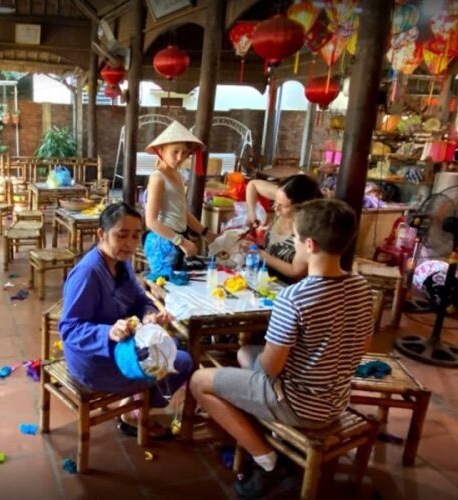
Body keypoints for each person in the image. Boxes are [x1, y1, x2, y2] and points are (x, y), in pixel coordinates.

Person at [190, 199, 374, 499]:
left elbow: (270, 368)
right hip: (336, 398)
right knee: (244, 353)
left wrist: (272, 357)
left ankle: (268, 462)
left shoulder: (295, 298)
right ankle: (264, 428)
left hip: (301, 404)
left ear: (310, 245)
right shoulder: (361, 287)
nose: (294, 243)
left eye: (296, 238)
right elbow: (363, 346)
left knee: (199, 381)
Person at [59, 203, 193, 438]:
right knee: (180, 361)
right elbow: (69, 329)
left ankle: (131, 407)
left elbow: (141, 300)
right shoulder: (88, 273)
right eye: (122, 235)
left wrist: (149, 316)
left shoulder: (122, 263)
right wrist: (108, 332)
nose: (129, 243)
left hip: (121, 347)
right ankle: (136, 412)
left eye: (135, 236)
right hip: (94, 361)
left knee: (172, 346)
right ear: (102, 234)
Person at [143, 120, 216, 277]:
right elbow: (151, 221)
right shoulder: (158, 178)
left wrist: (206, 233)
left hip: (176, 239)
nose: (180, 157)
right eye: (175, 152)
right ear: (161, 150)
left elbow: (182, 212)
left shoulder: (177, 174)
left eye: (184, 153)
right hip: (163, 242)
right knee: (164, 285)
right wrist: (181, 242)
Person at [244, 175, 323, 282]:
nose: (275, 207)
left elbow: (296, 272)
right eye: (275, 201)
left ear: (300, 206)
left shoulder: (308, 228)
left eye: (283, 205)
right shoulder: (284, 197)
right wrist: (252, 213)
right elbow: (253, 184)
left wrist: (260, 254)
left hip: (286, 285)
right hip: (264, 276)